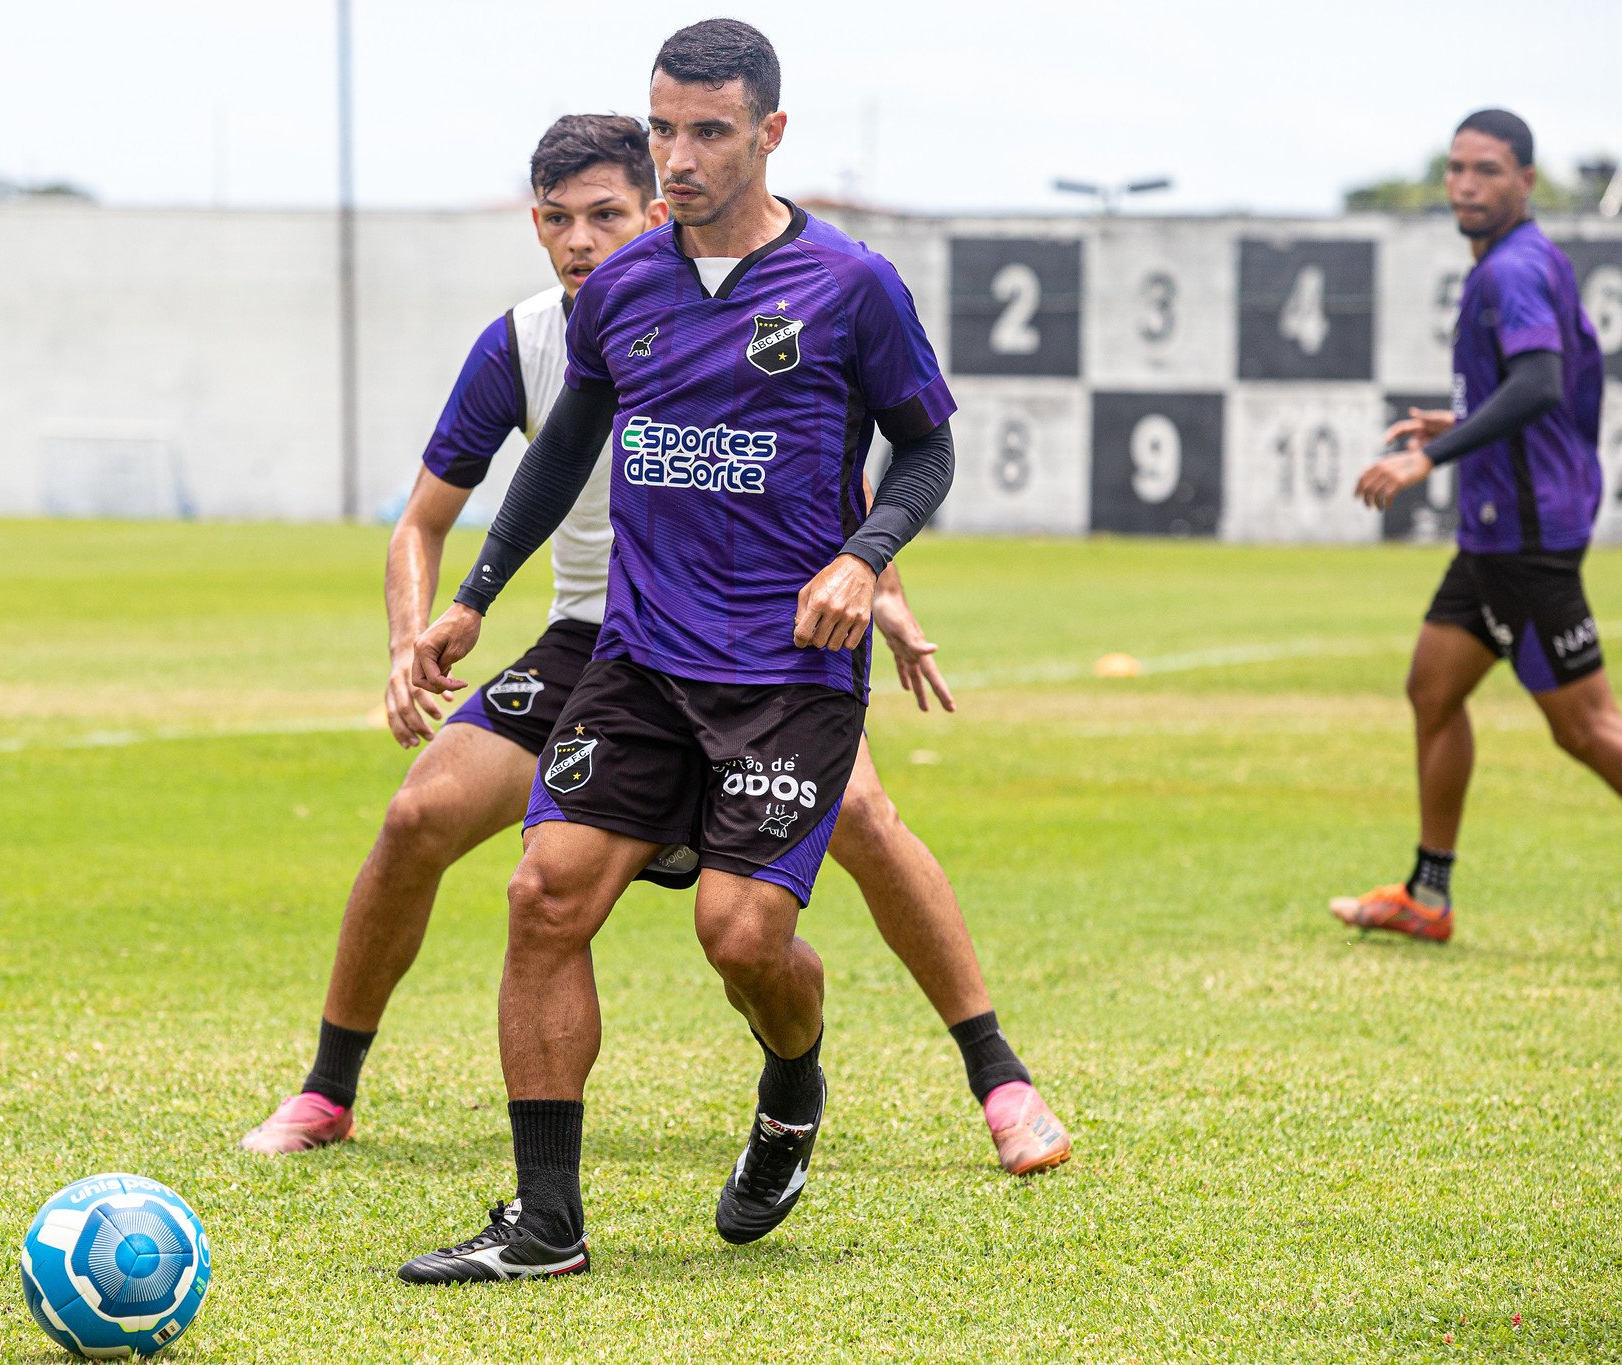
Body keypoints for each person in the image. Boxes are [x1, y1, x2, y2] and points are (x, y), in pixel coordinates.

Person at [241, 113, 1069, 1178]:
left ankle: (996, 1074)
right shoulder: (525, 342)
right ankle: (326, 1090)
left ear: (657, 215)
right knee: (419, 817)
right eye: (556, 220)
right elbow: (423, 519)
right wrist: (422, 631)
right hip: (597, 641)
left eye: (606, 217)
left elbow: (821, 468)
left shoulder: (754, 296)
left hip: (757, 651)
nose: (582, 242)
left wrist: (882, 583)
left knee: (859, 815)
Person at [394, 21, 1041, 1285]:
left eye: (706, 133)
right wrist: (472, 597)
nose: (677, 158)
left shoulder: (852, 288)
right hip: (635, 658)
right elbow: (565, 449)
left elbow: (926, 450)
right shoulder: (626, 289)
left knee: (743, 939)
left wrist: (865, 556)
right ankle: (545, 1225)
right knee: (544, 897)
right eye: (662, 131)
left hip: (787, 677)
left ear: (770, 136)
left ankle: (791, 1079)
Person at [1333, 108, 1622, 942]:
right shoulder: (1523, 260)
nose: (1466, 185)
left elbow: (1538, 386)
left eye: (1486, 170)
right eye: (1455, 169)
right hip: (1494, 529)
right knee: (1432, 687)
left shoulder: (1510, 271)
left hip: (1523, 533)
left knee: (1586, 729)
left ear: (1525, 180)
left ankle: (1430, 893)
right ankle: (1429, 894)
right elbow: (1528, 397)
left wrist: (1427, 460)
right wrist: (1454, 428)